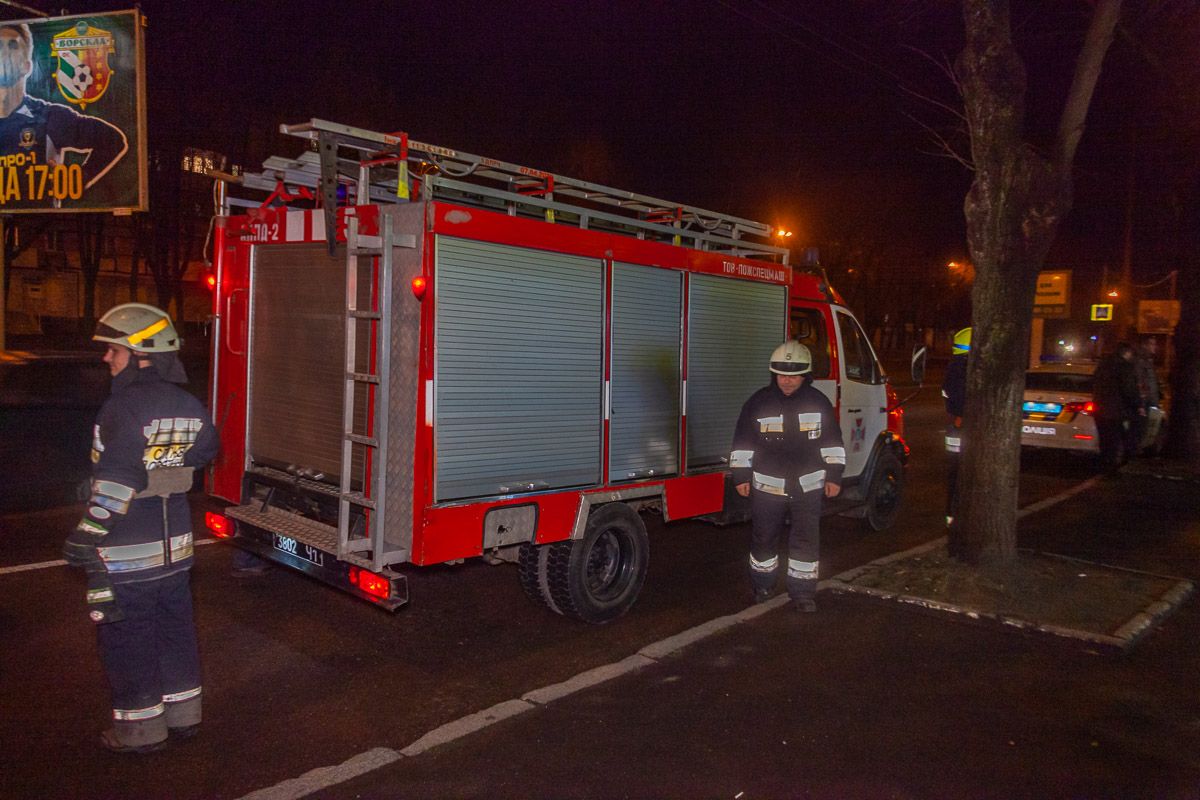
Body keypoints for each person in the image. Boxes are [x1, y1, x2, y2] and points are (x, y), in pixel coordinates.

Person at [62, 303, 218, 754]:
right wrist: (164, 468)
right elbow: (205, 449)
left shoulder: (122, 408)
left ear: (140, 353)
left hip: (129, 554)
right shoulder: (190, 404)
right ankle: (185, 716)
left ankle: (141, 731)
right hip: (177, 553)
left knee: (128, 639)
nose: (106, 359)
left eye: (113, 350)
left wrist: (86, 535)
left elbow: (116, 483)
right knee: (176, 632)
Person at [730, 341, 844, 613]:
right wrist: (741, 477)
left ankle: (803, 593)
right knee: (764, 538)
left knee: (806, 540)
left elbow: (832, 442)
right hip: (768, 487)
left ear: (805, 376)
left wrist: (835, 476)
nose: (787, 381)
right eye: (782, 375)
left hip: (808, 486)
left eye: (794, 376)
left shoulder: (818, 402)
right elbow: (743, 442)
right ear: (774, 374)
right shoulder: (758, 402)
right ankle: (763, 586)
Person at [0, 23, 128, 203]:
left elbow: (112, 140)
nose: (3, 54)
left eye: (12, 46)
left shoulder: (48, 117)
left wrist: (77, 179)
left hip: (38, 224)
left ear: (27, 67)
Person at [1091, 342, 1142, 472]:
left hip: (1100, 409)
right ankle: (1112, 467)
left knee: (1105, 439)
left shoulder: (1103, 365)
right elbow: (1129, 389)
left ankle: (1104, 464)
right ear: (1127, 353)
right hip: (1117, 410)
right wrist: (1138, 405)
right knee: (1117, 439)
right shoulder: (1124, 367)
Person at [941, 327, 970, 528]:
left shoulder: (953, 366)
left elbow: (947, 394)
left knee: (955, 471)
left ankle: (952, 516)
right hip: (964, 427)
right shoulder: (968, 369)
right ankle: (959, 516)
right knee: (965, 471)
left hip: (955, 427)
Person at [1132, 336, 1160, 454]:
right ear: (1145, 345)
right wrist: (1141, 404)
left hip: (1150, 402)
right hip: (1146, 403)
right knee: (1141, 429)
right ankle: (1137, 451)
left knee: (1147, 429)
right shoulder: (1140, 361)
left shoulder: (1148, 361)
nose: (1154, 347)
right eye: (1152, 344)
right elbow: (1141, 383)